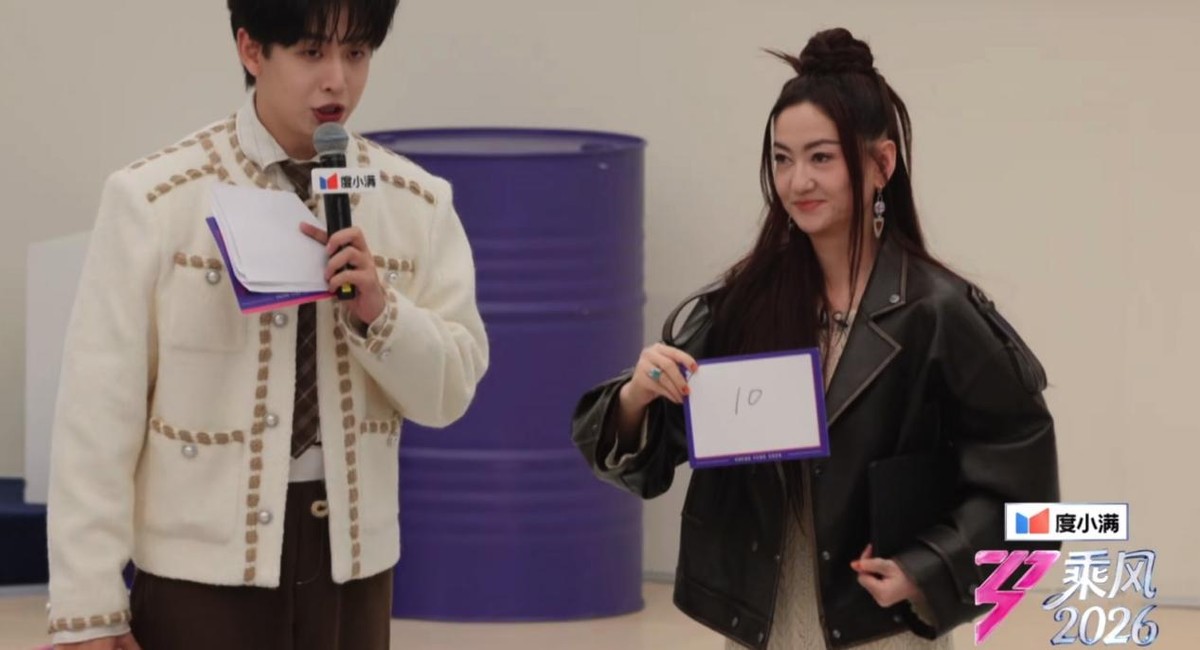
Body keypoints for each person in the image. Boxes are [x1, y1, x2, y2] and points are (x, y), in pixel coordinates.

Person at [571, 27, 1059, 650]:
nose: (797, 180)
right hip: (762, 629)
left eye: (821, 157)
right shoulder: (746, 305)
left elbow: (1029, 498)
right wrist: (637, 396)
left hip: (883, 630)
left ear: (881, 164)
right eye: (782, 158)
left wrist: (927, 568)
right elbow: (653, 453)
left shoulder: (939, 314)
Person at [45, 1, 488, 648]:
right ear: (251, 50)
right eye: (312, 52)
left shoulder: (415, 201)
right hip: (198, 576)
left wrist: (381, 314)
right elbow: (96, 416)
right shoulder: (156, 199)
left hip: (351, 571)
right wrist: (88, 607)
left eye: (356, 53)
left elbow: (449, 394)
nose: (337, 80)